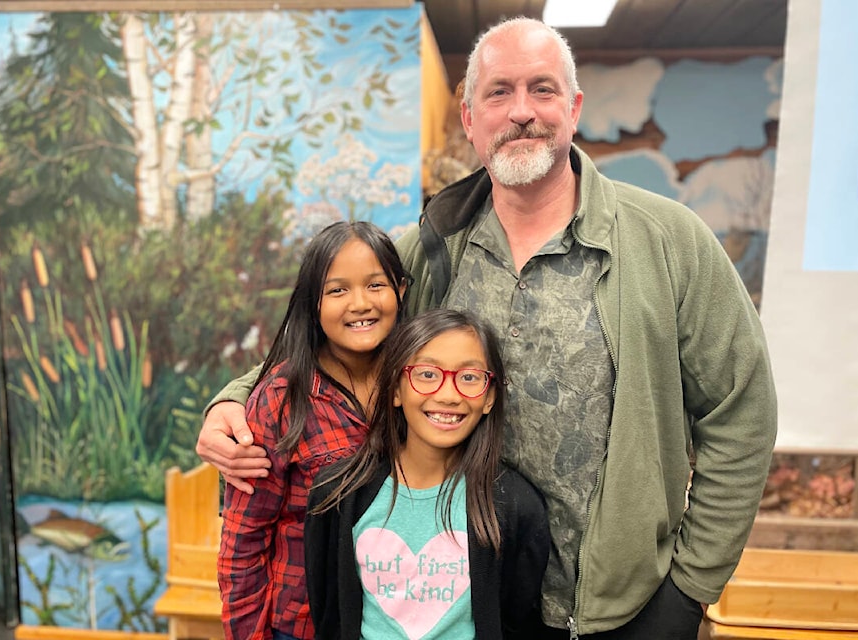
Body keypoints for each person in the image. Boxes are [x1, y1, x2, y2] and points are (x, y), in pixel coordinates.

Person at [199, 16, 777, 639]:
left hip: (625, 609)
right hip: (471, 607)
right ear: (470, 117)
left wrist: (690, 588)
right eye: (499, 92)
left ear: (574, 108)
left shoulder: (669, 241)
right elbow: (332, 338)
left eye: (543, 89)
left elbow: (741, 411)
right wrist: (234, 399)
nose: (522, 111)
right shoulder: (430, 247)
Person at [305, 308, 549, 639]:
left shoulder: (516, 507)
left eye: (469, 378)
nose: (448, 395)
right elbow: (329, 613)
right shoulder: (338, 494)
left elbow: (516, 619)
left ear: (490, 397)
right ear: (395, 389)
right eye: (427, 374)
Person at [217, 221, 407, 640]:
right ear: (313, 304)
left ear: (402, 291)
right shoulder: (281, 398)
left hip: (397, 620)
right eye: (338, 290)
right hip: (302, 625)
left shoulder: (419, 386)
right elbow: (243, 541)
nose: (360, 303)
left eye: (376, 285)